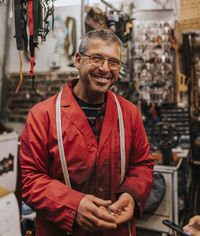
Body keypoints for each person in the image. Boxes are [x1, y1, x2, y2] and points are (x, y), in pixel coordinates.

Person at [20, 29, 154, 236]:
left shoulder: (130, 113)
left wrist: (132, 195)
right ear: (78, 60)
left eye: (114, 62)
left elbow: (142, 165)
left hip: (116, 230)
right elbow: (30, 179)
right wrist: (73, 205)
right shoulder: (42, 115)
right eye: (97, 58)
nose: (105, 68)